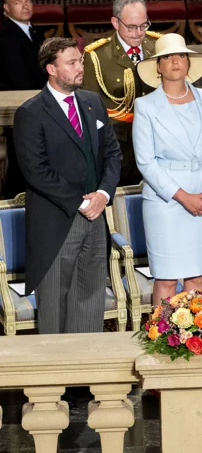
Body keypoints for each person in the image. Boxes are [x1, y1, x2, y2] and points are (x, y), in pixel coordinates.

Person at [13, 37, 122, 333]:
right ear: (51, 68)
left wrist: (102, 194)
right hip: (57, 222)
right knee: (55, 306)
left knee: (90, 300)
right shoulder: (31, 113)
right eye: (72, 62)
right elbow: (36, 171)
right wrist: (82, 202)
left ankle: (85, 377)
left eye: (80, 61)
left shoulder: (92, 102)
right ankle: (56, 377)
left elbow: (112, 153)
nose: (80, 67)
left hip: (96, 217)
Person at [133, 34, 202, 305]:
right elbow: (146, 162)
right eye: (167, 57)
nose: (175, 61)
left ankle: (192, 341)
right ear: (158, 67)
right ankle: (162, 342)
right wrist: (184, 196)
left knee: (197, 277)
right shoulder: (145, 106)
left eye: (181, 56)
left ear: (188, 63)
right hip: (166, 203)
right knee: (166, 279)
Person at [82, 0, 162, 186]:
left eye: (143, 25)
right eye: (132, 27)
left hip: (158, 140)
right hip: (121, 143)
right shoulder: (97, 56)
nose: (138, 33)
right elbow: (91, 111)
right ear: (115, 23)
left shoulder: (159, 46)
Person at [0, 0, 47, 199]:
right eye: (18, 3)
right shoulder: (6, 37)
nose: (25, 6)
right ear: (6, 9)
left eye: (27, 1)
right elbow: (20, 78)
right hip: (19, 107)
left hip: (36, 105)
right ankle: (13, 204)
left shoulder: (35, 31)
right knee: (21, 163)